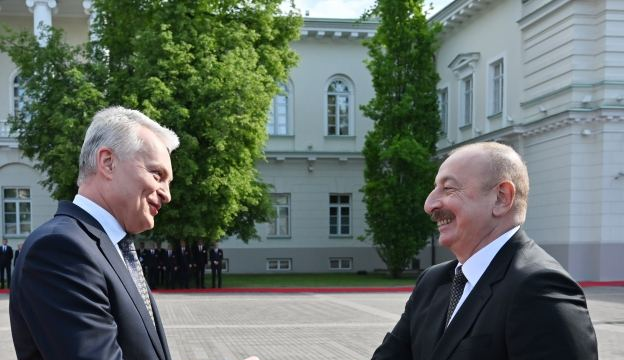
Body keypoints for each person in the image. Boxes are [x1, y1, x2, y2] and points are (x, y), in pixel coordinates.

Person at [371, 142, 598, 360]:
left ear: (501, 198)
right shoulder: (432, 282)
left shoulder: (540, 287)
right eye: (434, 189)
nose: (429, 204)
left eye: (448, 188)